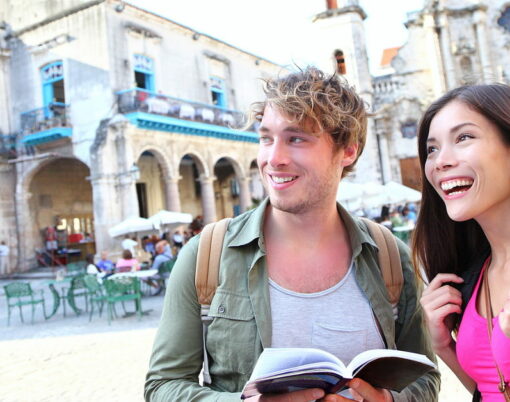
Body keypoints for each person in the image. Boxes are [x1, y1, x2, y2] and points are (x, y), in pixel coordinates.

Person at [145, 66, 439, 401]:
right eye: (266, 138)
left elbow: (425, 379)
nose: (274, 158)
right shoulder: (206, 255)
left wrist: (387, 400)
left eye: (296, 138)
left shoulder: (389, 256)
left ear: (348, 150)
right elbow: (162, 386)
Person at [413, 83, 510, 402]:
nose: (440, 162)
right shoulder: (472, 274)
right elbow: (492, 390)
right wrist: (443, 345)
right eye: (432, 149)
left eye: (463, 137)